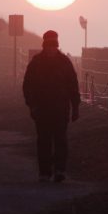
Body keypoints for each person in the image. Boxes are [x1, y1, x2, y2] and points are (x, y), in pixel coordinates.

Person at [23, 30, 80, 183]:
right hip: (43, 109)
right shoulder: (38, 63)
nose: (51, 49)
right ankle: (45, 172)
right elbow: (28, 86)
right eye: (49, 45)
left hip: (59, 109)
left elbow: (73, 86)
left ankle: (59, 170)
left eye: (53, 45)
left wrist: (75, 107)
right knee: (45, 141)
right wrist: (32, 105)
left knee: (59, 140)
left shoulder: (61, 62)